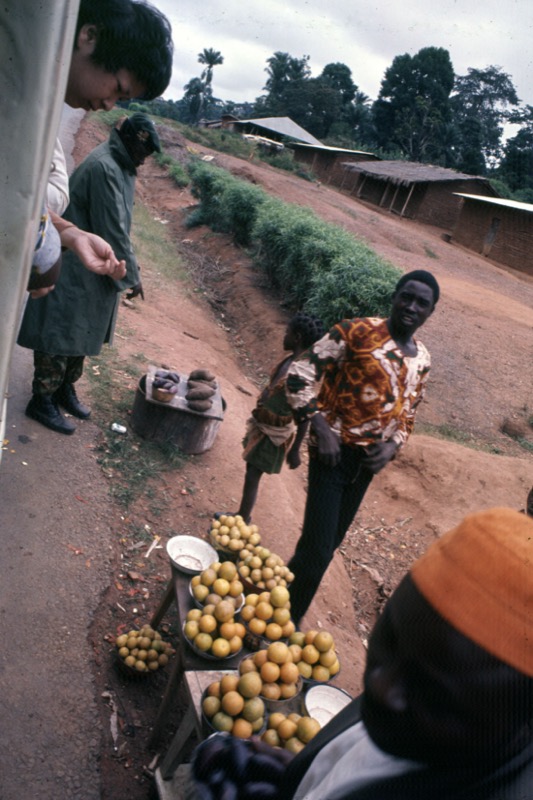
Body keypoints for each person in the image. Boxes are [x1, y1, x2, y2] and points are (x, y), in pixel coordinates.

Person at [190, 507, 533, 800]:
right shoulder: (414, 721)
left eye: (433, 692)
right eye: (390, 640)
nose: (382, 686)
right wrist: (300, 776)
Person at [285, 270, 439, 625]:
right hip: (333, 454)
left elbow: (409, 413)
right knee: (319, 551)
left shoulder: (423, 359)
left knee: (322, 547)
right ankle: (282, 626)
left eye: (422, 303)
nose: (412, 307)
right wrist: (320, 427)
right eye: (407, 296)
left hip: (365, 466)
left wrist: (393, 446)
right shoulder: (356, 332)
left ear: (431, 311)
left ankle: (276, 599)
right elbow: (300, 374)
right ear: (395, 296)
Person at [17, 113, 161, 435]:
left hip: (92, 264)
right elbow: (115, 231)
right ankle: (42, 400)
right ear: (131, 142)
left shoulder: (122, 166)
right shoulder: (105, 167)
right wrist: (133, 276)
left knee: (81, 333)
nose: (145, 159)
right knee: (60, 332)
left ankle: (63, 390)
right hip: (74, 266)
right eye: (144, 152)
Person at [30, 0, 173, 295]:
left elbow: (28, 203)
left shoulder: (39, 112)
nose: (109, 104)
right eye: (118, 89)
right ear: (89, 36)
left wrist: (70, 234)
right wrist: (44, 252)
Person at [236, 313, 325, 523]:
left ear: (297, 337)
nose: (283, 335)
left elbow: (304, 417)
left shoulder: (300, 375)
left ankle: (242, 517)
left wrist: (295, 451)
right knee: (251, 470)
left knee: (252, 475)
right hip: (264, 425)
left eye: (287, 332)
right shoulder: (289, 361)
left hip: (274, 434)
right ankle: (241, 515)